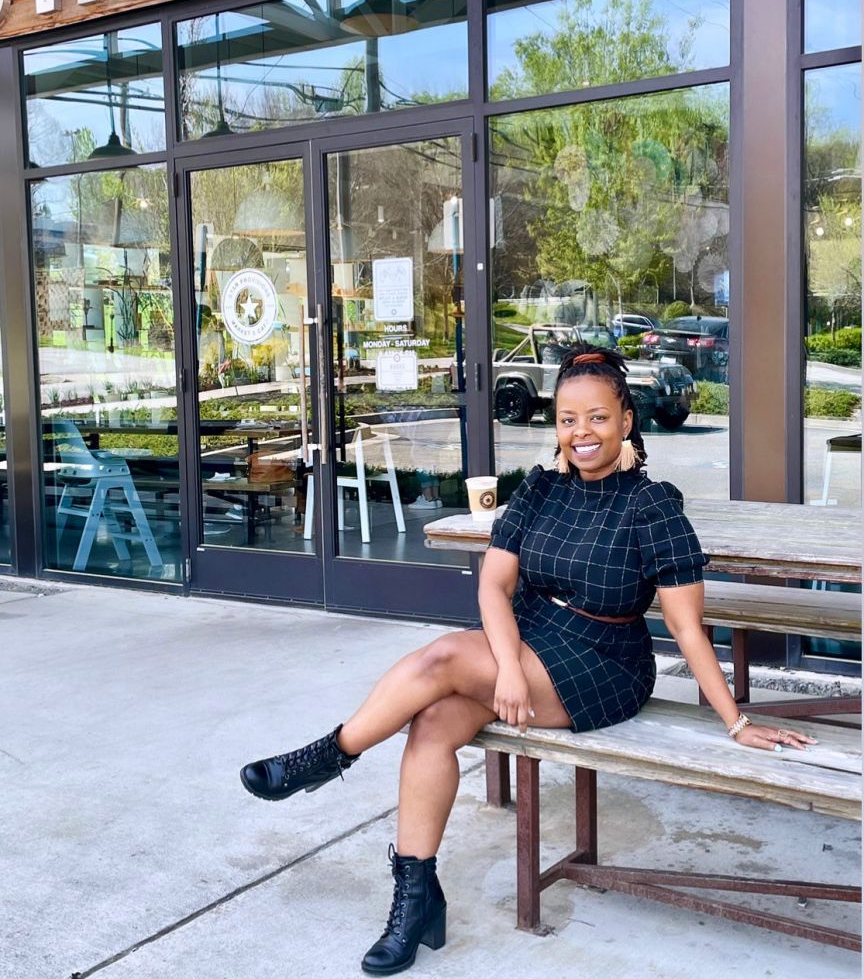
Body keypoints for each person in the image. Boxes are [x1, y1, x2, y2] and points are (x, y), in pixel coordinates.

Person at [240, 343, 817, 977]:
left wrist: (737, 721)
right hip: (529, 640)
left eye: (597, 417)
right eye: (568, 419)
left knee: (442, 659)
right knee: (433, 721)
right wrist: (510, 668)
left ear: (626, 420)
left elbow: (685, 627)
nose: (581, 432)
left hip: (603, 660)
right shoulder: (541, 489)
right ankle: (416, 899)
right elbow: (493, 586)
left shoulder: (653, 506)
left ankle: (331, 755)